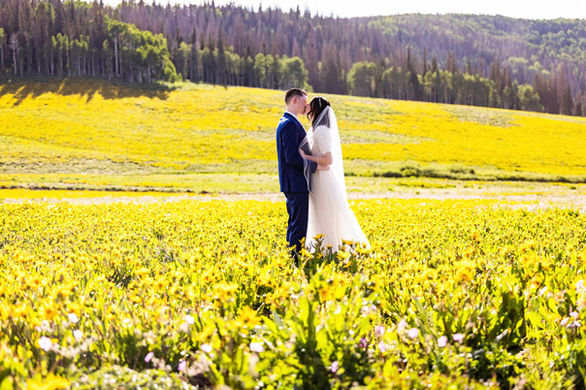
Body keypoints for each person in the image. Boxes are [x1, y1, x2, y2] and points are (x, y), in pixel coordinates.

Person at [298, 97, 370, 252]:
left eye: (310, 103)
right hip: (318, 176)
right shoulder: (317, 129)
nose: (306, 105)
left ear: (315, 108)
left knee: (326, 214)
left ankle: (332, 250)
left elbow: (328, 159)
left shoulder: (321, 131)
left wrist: (305, 157)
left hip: (323, 180)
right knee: (321, 214)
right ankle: (324, 249)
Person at [275, 88, 319, 263]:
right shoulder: (289, 124)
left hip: (293, 182)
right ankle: (296, 261)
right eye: (304, 101)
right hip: (295, 182)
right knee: (298, 226)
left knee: (295, 223)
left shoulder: (287, 122)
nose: (306, 105)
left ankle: (291, 259)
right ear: (294, 100)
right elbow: (292, 157)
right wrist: (314, 165)